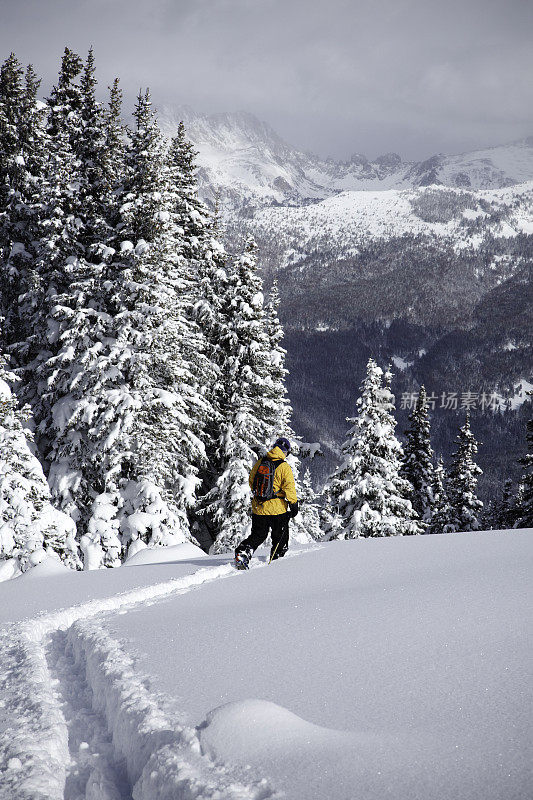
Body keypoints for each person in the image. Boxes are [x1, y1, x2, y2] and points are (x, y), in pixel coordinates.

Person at [235, 437, 299, 567]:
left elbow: (251, 480)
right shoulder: (284, 466)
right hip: (277, 509)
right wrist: (293, 504)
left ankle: (243, 551)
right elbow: (289, 487)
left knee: (258, 535)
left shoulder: (261, 462)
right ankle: (277, 562)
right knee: (280, 537)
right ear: (285, 452)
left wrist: (261, 495)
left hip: (259, 507)